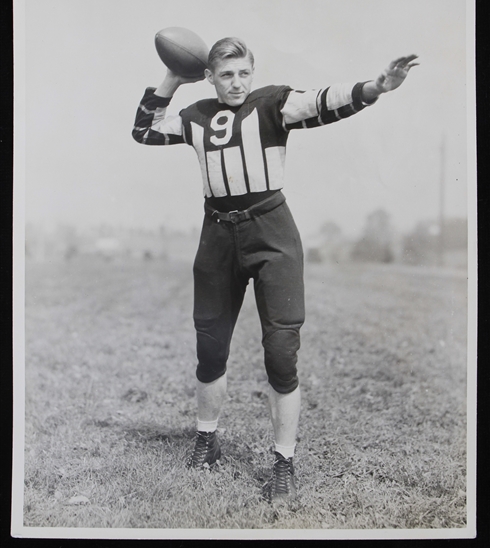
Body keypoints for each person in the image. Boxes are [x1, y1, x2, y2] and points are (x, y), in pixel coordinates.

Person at [132, 37, 418, 504]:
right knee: (210, 345)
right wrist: (172, 76)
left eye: (244, 72)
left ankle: (283, 461)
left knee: (281, 354)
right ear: (210, 77)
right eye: (226, 74)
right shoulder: (196, 115)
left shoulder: (273, 103)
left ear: (253, 72)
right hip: (217, 234)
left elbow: (325, 100)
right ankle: (207, 441)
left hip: (271, 232)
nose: (237, 82)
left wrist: (377, 86)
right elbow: (143, 130)